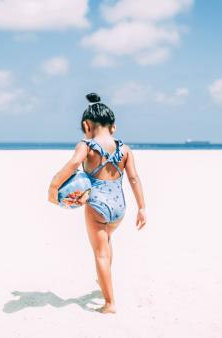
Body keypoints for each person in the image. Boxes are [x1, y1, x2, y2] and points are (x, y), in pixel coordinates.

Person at [48, 92, 147, 314]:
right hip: (119, 207)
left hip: (97, 206)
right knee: (108, 242)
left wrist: (54, 186)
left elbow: (73, 164)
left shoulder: (87, 145)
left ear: (86, 125)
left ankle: (109, 303)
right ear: (113, 127)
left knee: (100, 252)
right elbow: (133, 178)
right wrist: (142, 207)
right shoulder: (125, 149)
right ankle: (105, 281)